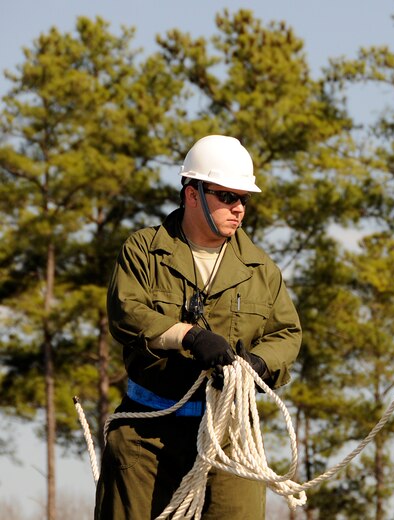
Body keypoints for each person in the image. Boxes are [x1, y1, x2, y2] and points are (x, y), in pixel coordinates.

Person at [94, 135, 302, 519]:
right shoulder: (144, 251)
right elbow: (127, 311)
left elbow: (286, 335)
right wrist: (189, 336)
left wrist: (257, 365)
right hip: (147, 436)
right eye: (226, 196)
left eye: (244, 199)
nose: (238, 209)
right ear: (192, 194)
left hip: (228, 439)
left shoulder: (261, 270)